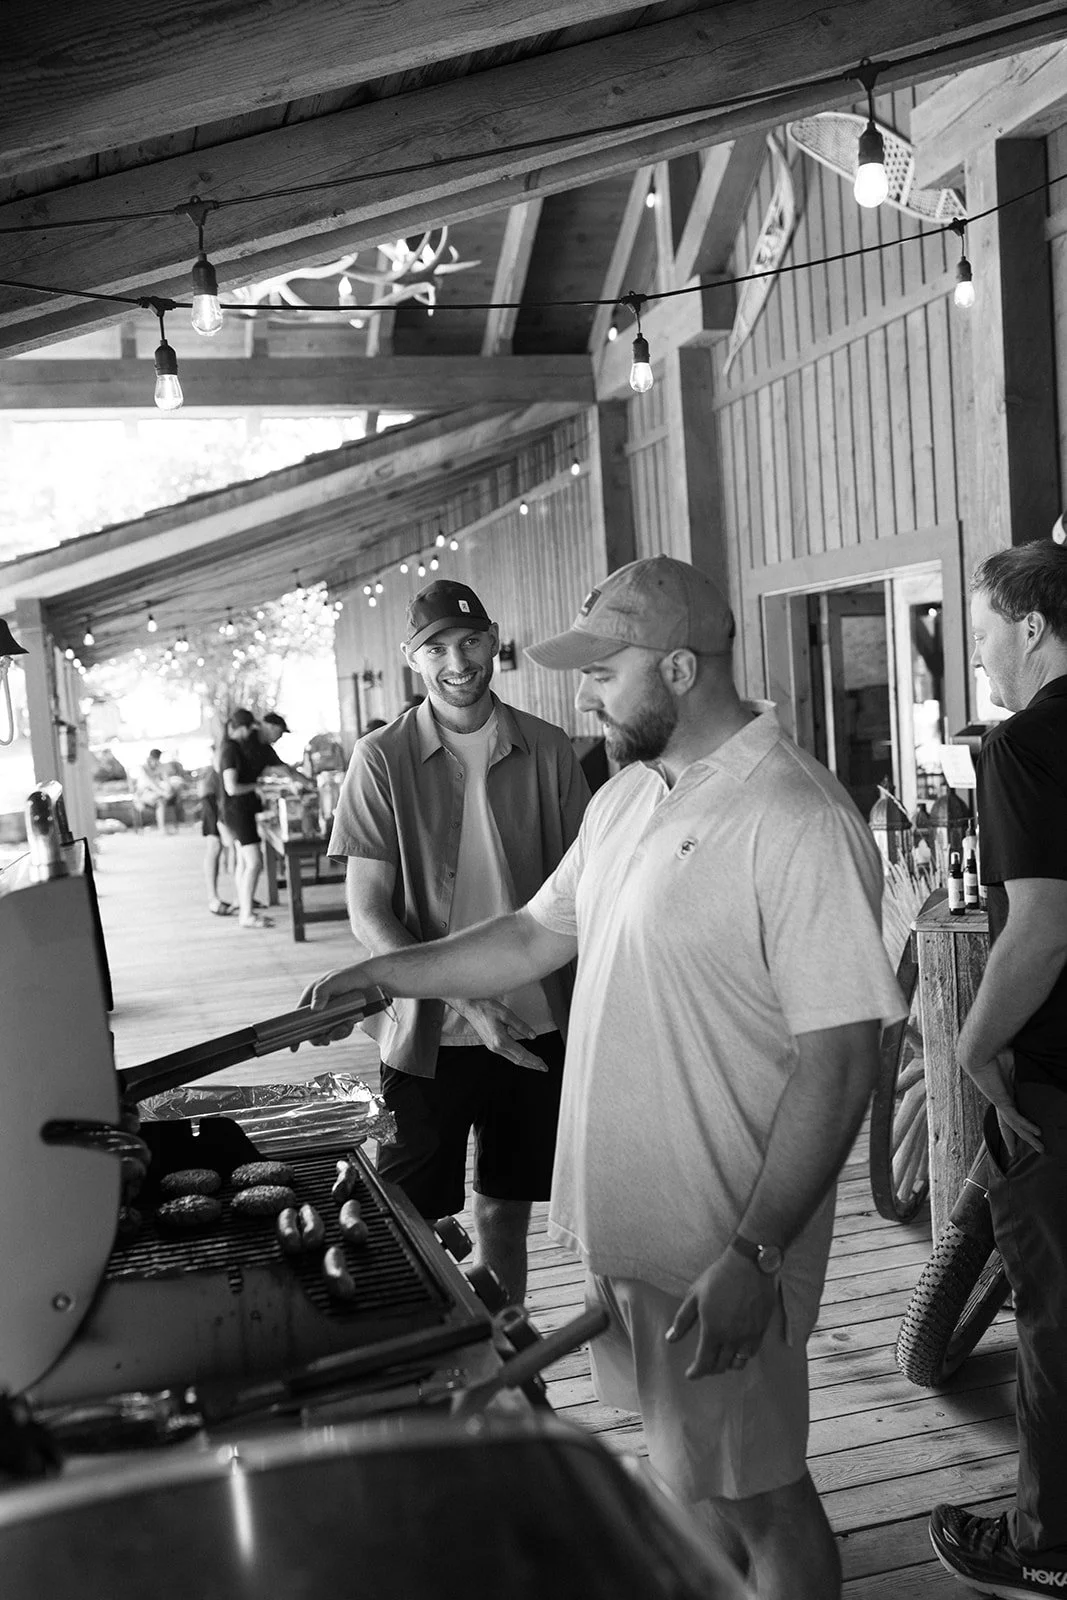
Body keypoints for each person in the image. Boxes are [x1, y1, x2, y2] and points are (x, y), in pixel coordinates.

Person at [300, 556, 904, 1598]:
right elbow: (534, 933)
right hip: (636, 1229)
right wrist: (381, 970)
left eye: (601, 672)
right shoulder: (628, 792)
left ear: (677, 667)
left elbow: (841, 1058)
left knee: (763, 1496)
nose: (578, 694)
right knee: (691, 1480)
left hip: (720, 1240)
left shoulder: (794, 818)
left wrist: (755, 1254)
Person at [323, 578, 589, 1304]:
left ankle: (505, 1359)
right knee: (412, 1217)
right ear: (414, 660)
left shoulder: (549, 749)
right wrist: (469, 1001)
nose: (458, 661)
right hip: (425, 1031)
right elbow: (370, 914)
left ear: (492, 639)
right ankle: (433, 1363)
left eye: (470, 641)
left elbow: (587, 896)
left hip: (537, 1026)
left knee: (505, 1208)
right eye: (436, 647)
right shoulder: (380, 758)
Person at [928, 542, 1067, 1600]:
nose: (973, 656)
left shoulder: (1024, 746)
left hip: (1057, 1083)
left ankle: (1046, 1545)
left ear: (1028, 627)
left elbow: (1040, 931)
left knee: (1054, 1316)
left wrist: (972, 1044)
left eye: (978, 631)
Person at [218, 708, 283, 929]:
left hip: (239, 811)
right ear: (243, 728)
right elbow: (231, 787)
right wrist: (259, 786)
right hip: (237, 811)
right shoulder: (230, 749)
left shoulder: (233, 747)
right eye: (250, 728)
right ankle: (246, 914)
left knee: (244, 862)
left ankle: (243, 904)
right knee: (255, 862)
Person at [197, 759, 237, 916]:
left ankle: (241, 897)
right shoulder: (227, 742)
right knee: (215, 845)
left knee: (232, 844)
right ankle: (213, 899)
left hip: (219, 791)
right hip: (213, 793)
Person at [136, 747, 182, 832]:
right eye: (156, 761)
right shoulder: (144, 768)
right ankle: (162, 828)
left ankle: (162, 828)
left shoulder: (159, 766)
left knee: (162, 799)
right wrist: (163, 793)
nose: (157, 763)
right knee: (161, 799)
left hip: (156, 794)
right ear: (151, 759)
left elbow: (165, 780)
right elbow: (151, 784)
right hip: (144, 794)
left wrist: (168, 789)